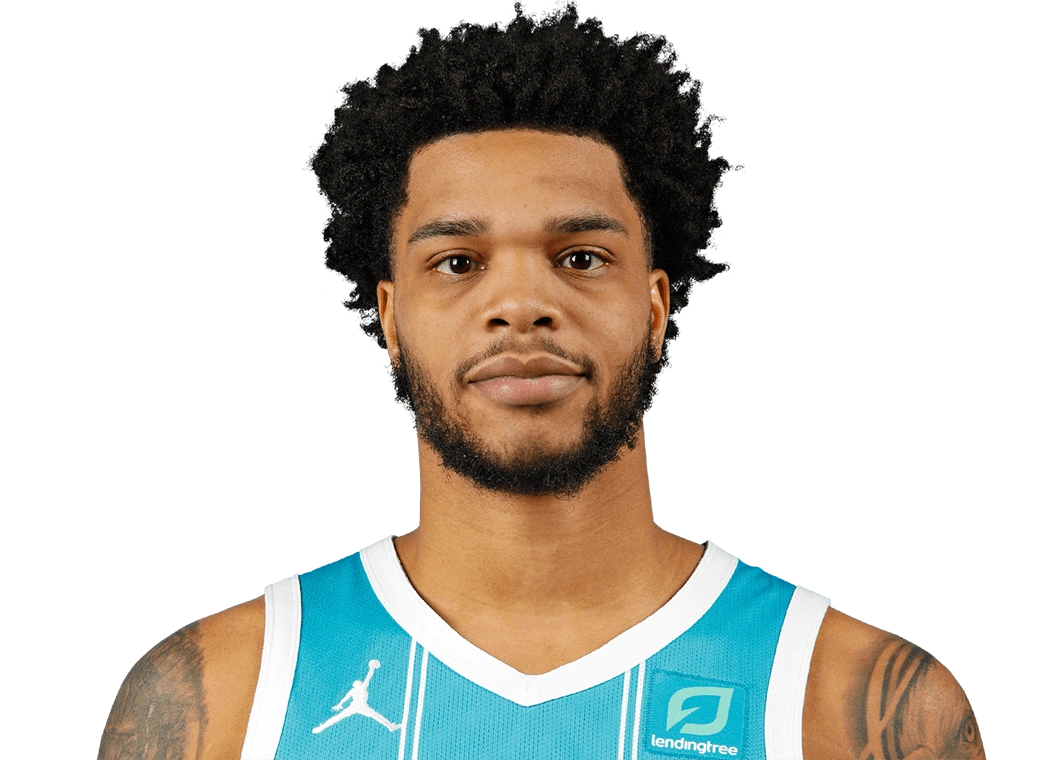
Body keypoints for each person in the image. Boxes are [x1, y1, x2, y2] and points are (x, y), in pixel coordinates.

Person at [98, 3, 986, 759]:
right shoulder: (225, 698)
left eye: (580, 256)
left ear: (654, 306)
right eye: (457, 262)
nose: (521, 305)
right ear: (390, 319)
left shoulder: (860, 706)